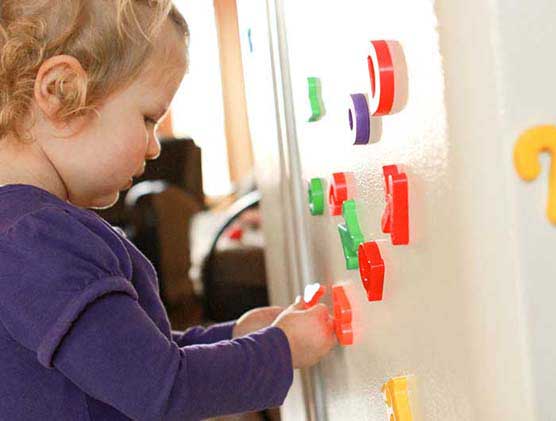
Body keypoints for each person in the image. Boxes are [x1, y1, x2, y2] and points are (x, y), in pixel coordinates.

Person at [0, 1, 335, 419]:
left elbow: (132, 361)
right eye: (147, 118)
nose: (155, 145)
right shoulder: (38, 239)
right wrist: (280, 351)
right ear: (61, 91)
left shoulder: (24, 234)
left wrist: (237, 336)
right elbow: (163, 389)